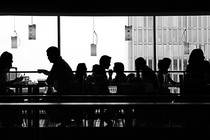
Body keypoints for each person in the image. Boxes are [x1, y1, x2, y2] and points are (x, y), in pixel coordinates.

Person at [38, 46, 74, 127]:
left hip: (65, 93)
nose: (48, 58)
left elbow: (50, 79)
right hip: (68, 92)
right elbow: (53, 75)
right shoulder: (60, 62)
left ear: (53, 55)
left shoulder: (57, 64)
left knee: (45, 101)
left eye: (49, 56)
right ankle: (62, 120)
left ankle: (59, 119)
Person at [0, 51, 23, 127]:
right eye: (10, 61)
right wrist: (15, 81)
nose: (11, 64)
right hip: (3, 98)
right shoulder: (2, 72)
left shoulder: (2, 71)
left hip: (3, 97)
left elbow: (3, 85)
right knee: (19, 100)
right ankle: (15, 122)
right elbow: (3, 86)